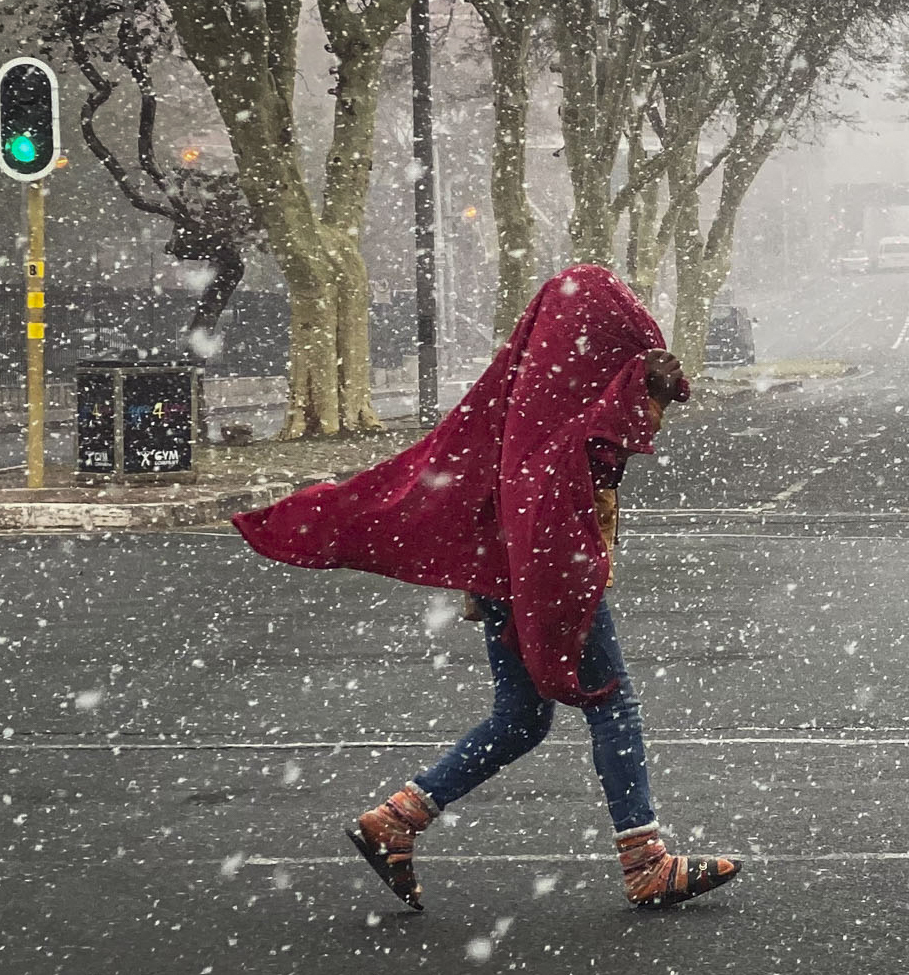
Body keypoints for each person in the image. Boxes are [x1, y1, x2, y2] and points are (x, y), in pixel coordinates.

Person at [231, 264, 740, 913]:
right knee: (612, 702)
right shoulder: (566, 418)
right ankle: (645, 863)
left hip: (508, 567)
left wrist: (487, 574)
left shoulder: (531, 392)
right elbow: (551, 503)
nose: (643, 406)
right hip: (540, 571)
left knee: (521, 719)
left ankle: (396, 820)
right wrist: (555, 586)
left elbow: (491, 478)